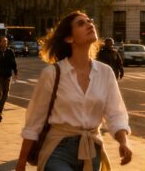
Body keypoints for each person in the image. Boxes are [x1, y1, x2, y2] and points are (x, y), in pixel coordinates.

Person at [16, 11, 132, 170]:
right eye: (81, 23)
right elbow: (34, 121)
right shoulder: (52, 74)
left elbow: (116, 113)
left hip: (92, 150)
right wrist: (21, 162)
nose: (90, 24)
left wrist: (123, 142)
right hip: (57, 149)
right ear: (69, 38)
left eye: (90, 20)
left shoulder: (105, 73)